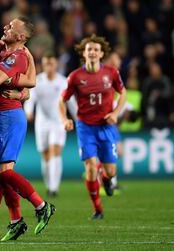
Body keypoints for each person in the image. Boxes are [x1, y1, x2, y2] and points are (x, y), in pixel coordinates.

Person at [0, 16, 55, 240]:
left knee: (3, 172)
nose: (5, 28)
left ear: (21, 37)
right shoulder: (0, 49)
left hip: (9, 117)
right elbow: (30, 82)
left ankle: (40, 205)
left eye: (10, 27)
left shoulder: (18, 55)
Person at [58, 34, 127, 220]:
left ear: (101, 53)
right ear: (84, 53)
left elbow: (123, 93)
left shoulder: (111, 73)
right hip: (85, 127)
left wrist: (115, 113)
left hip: (105, 126)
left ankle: (107, 179)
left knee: (111, 170)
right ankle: (98, 209)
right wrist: (64, 119)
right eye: (89, 49)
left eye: (96, 49)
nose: (93, 52)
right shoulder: (75, 76)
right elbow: (61, 101)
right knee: (90, 168)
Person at [24, 53, 77, 197]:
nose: (49, 67)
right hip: (42, 123)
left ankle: (54, 187)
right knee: (46, 156)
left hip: (58, 121)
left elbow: (71, 102)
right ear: (43, 65)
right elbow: (30, 98)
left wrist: (79, 118)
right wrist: (28, 111)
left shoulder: (62, 82)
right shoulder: (38, 81)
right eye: (46, 63)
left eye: (51, 63)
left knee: (55, 151)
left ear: (56, 65)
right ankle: (49, 184)